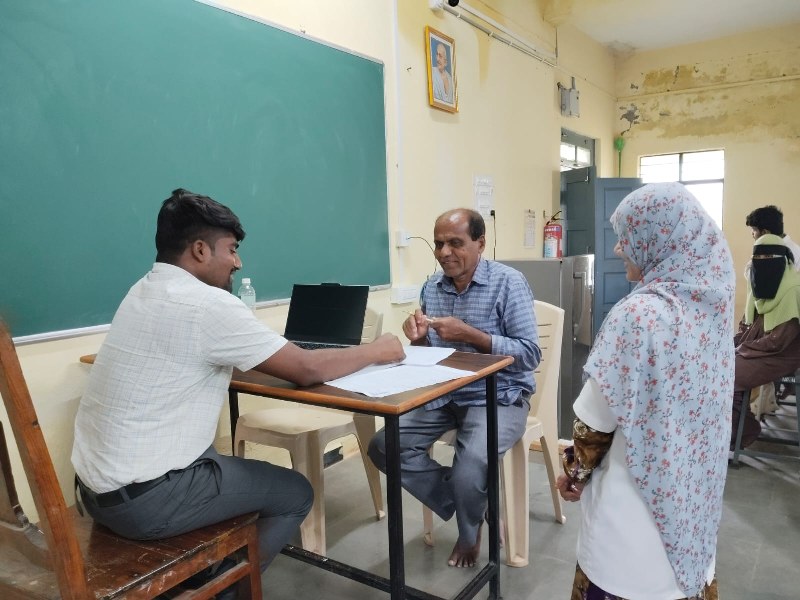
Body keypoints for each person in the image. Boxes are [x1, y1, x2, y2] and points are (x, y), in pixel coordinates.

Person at [72, 189, 404, 584]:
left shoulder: (141, 290)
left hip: (94, 493)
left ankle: (202, 575)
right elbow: (306, 368)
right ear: (199, 250)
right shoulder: (207, 304)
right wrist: (376, 350)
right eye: (231, 249)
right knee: (295, 493)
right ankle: (230, 589)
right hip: (146, 503)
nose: (237, 261)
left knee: (211, 451)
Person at [555, 182, 735, 599]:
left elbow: (595, 425)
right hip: (691, 510)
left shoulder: (638, 315)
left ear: (660, 239)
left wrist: (573, 475)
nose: (619, 248)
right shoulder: (713, 301)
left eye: (629, 236)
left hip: (631, 533)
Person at [368, 208, 540, 568]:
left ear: (480, 243)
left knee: (469, 467)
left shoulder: (509, 283)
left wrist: (473, 336)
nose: (444, 252)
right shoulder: (432, 286)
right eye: (439, 243)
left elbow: (529, 355)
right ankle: (471, 508)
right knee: (384, 447)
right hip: (445, 392)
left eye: (455, 243)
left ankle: (468, 529)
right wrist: (417, 339)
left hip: (500, 395)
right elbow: (432, 355)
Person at [731, 233, 800, 448]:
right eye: (757, 257)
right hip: (758, 348)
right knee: (715, 362)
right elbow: (747, 326)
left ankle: (745, 431)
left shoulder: (793, 289)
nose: (762, 262)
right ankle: (735, 428)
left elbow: (779, 340)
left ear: (784, 259)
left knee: (728, 373)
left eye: (769, 256)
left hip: (783, 353)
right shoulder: (757, 288)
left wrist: (742, 348)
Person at [746, 205, 800, 272]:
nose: (752, 234)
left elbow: (751, 275)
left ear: (765, 232)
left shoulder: (783, 252)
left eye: (754, 230)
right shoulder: (780, 247)